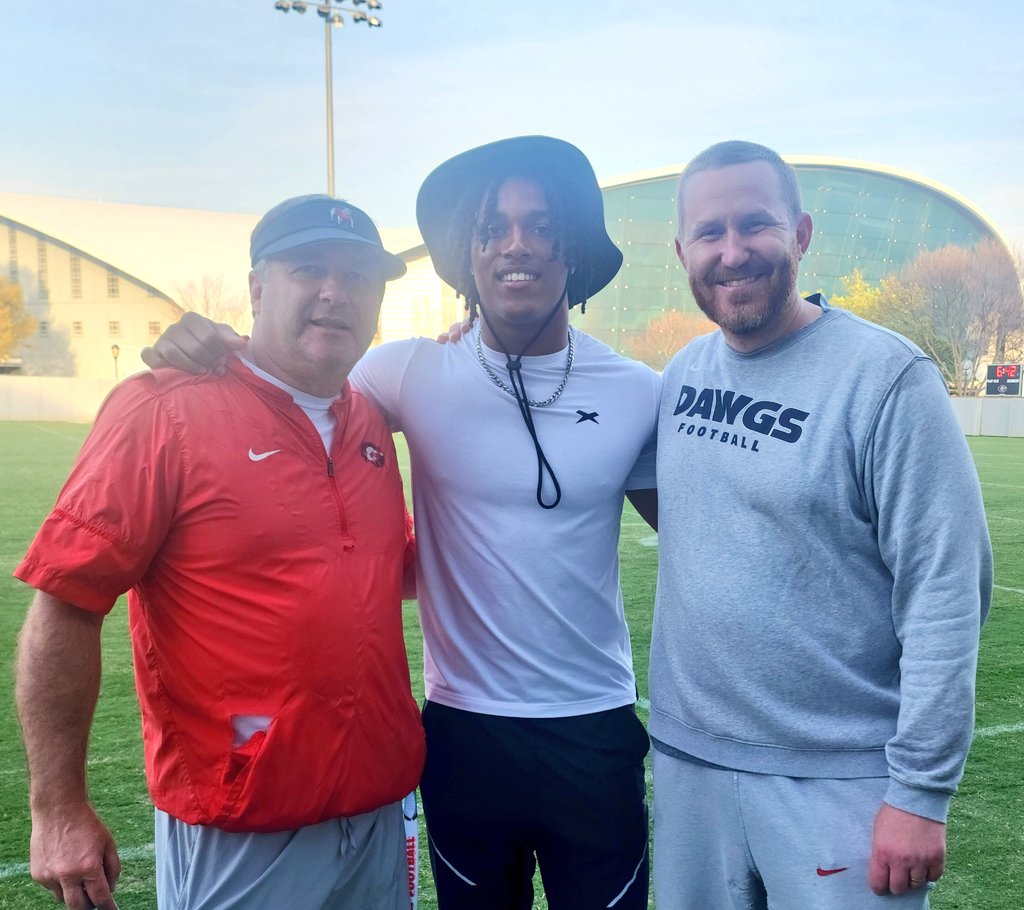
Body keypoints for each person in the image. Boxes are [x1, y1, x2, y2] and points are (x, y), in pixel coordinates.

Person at [142, 136, 660, 910]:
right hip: (462, 733)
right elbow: (295, 378)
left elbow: (707, 540)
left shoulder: (637, 391)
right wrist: (213, 345)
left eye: (541, 226)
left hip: (594, 730)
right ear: (470, 258)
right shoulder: (405, 371)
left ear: (573, 249)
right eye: (491, 230)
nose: (515, 245)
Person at [14, 195, 425, 910]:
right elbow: (66, 605)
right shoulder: (165, 408)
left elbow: (390, 569)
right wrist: (56, 807)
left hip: (378, 812)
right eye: (309, 268)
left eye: (359, 276)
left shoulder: (369, 419)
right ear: (259, 288)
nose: (336, 291)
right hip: (241, 823)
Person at [649, 140, 992, 909]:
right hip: (687, 765)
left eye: (755, 225)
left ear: (800, 235)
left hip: (842, 779)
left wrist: (920, 793)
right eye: (710, 233)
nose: (732, 253)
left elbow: (945, 587)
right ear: (682, 251)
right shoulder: (681, 376)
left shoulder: (887, 379)